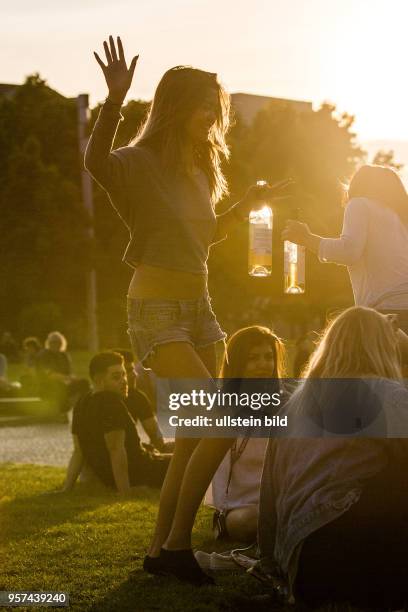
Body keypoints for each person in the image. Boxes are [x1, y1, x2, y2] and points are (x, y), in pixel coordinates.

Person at [85, 35, 291, 583]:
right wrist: (113, 100)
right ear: (177, 107)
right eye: (206, 106)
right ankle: (177, 545)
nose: (213, 116)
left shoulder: (200, 169)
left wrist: (243, 207)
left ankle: (160, 553)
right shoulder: (138, 161)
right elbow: (95, 160)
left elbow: (200, 239)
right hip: (155, 308)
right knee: (223, 422)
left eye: (217, 107)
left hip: (200, 306)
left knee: (193, 439)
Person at [257, 306, 408, 608]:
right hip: (347, 556)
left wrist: (274, 566)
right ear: (381, 347)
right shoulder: (385, 393)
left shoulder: (293, 405)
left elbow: (269, 497)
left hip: (302, 567)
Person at [283, 164, 408, 343]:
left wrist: (307, 239)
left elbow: (349, 251)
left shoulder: (360, 204)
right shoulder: (403, 218)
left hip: (384, 313)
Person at [206, 326, 285, 544]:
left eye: (269, 357)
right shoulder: (225, 409)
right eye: (253, 358)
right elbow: (219, 472)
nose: (263, 364)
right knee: (248, 522)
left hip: (282, 501)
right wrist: (221, 512)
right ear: (237, 363)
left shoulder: (286, 404)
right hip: (242, 508)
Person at [63, 351, 171, 493]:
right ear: (99, 380)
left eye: (124, 374)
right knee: (189, 461)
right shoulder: (111, 403)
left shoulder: (82, 402)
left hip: (110, 476)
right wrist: (125, 492)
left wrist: (67, 488)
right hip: (141, 471)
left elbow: (78, 451)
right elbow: (116, 450)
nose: (124, 380)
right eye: (116, 377)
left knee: (175, 456)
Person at [114, 349, 174, 453]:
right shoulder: (136, 397)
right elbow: (158, 441)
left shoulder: (86, 400)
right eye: (127, 371)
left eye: (133, 370)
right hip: (129, 461)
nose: (134, 375)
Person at [36, 331, 89, 413]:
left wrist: (73, 379)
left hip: (64, 383)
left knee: (84, 382)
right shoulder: (44, 355)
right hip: (47, 386)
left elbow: (69, 373)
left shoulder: (64, 355)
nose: (55, 344)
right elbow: (49, 374)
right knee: (59, 386)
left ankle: (84, 409)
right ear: (49, 343)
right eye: (53, 342)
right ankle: (62, 412)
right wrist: (68, 378)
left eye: (58, 342)